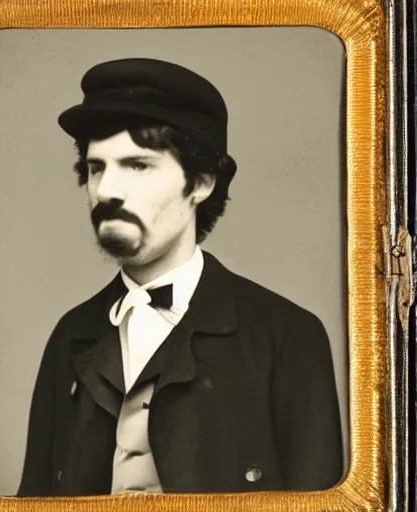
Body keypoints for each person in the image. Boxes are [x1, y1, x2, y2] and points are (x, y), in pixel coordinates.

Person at [17, 58, 343, 497]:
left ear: (201, 182)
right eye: (97, 168)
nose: (107, 190)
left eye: (137, 165)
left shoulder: (289, 335)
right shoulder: (70, 335)